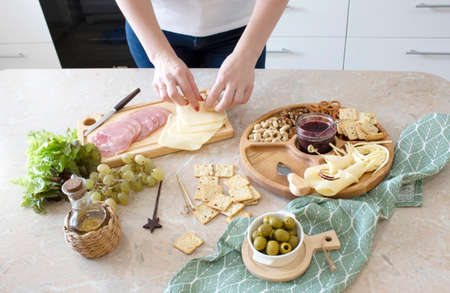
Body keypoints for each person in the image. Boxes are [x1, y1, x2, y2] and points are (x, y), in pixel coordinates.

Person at [116, 0, 288, 112]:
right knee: (169, 111)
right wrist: (160, 56)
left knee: (235, 113)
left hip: (241, 31)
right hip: (154, 27)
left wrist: (248, 54)